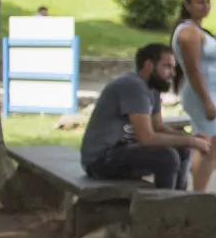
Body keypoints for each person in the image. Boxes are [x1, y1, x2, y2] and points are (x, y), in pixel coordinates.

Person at [81, 44, 209, 190]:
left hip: (121, 151)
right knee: (166, 157)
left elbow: (158, 127)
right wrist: (191, 140)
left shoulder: (152, 87)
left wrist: (190, 138)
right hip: (100, 160)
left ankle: (178, 202)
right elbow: (147, 137)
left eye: (173, 68)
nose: (173, 73)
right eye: (167, 66)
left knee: (183, 148)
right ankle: (162, 208)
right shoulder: (132, 86)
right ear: (148, 65)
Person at [173, 0, 216, 192]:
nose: (205, 6)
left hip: (212, 95)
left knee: (208, 144)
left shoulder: (197, 30)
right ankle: (198, 194)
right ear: (187, 5)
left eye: (208, 1)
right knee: (212, 146)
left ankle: (198, 193)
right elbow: (192, 69)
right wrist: (206, 100)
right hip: (203, 96)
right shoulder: (188, 32)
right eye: (200, 2)